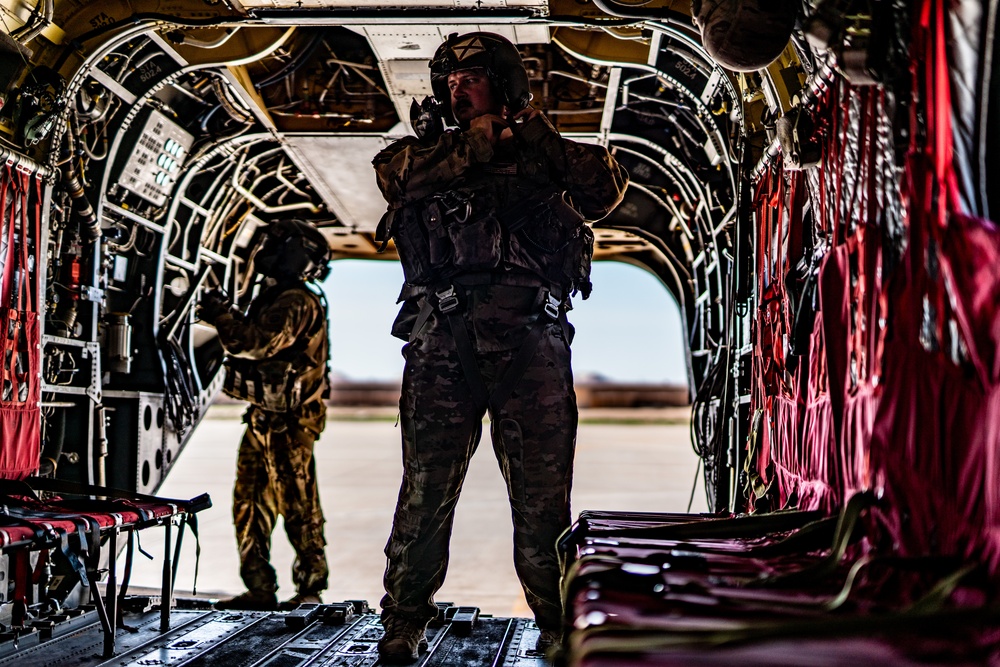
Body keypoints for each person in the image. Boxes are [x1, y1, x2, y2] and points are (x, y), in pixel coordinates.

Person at [371, 32, 628, 663]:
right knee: (426, 491)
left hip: (531, 341)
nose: (458, 86)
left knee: (543, 501)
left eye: (474, 76)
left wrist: (532, 135)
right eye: (450, 79)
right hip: (443, 342)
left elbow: (604, 188)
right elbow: (396, 179)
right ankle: (404, 620)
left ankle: (555, 619)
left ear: (505, 81)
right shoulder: (419, 156)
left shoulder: (547, 158)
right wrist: (481, 141)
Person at [197, 219, 333, 611]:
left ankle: (310, 588)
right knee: (249, 504)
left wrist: (221, 315)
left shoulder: (297, 302)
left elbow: (252, 344)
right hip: (262, 418)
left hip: (290, 424)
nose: (265, 251)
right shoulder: (275, 298)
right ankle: (259, 588)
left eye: (276, 244)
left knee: (298, 506)